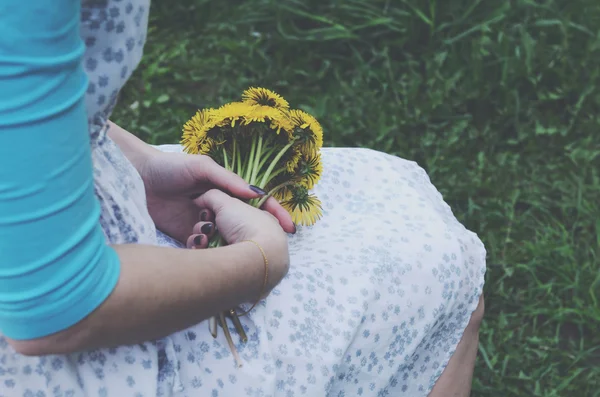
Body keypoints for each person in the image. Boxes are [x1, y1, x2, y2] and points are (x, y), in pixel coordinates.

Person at [0, 1, 486, 396]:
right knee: (440, 266)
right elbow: (54, 307)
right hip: (61, 349)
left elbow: (26, 107)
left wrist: (141, 165)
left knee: (389, 188)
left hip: (58, 217)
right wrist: (260, 263)